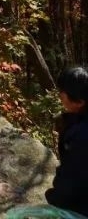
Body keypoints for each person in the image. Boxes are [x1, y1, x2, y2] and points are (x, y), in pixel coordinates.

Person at [45, 66, 88, 216]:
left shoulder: (81, 136)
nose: (60, 95)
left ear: (80, 102)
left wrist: (54, 198)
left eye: (63, 92)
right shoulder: (79, 123)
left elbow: (73, 178)